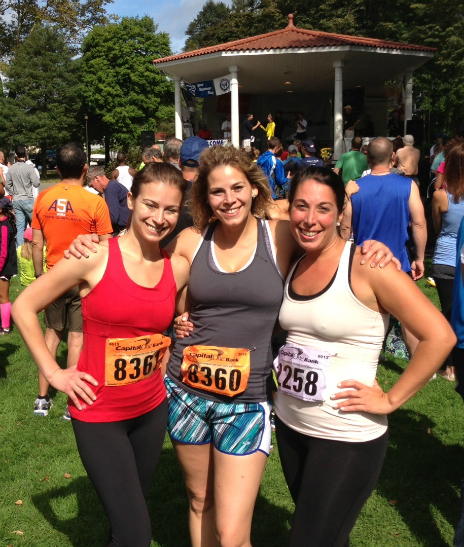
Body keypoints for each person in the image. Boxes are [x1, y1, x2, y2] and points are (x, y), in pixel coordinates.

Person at [67, 147, 395, 547]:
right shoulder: (190, 239)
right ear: (205, 197)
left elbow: (323, 238)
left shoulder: (279, 234)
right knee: (200, 499)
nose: (229, 199)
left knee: (232, 532)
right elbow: (142, 269)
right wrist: (96, 243)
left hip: (247, 399)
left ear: (254, 188)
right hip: (186, 393)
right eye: (218, 191)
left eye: (237, 187)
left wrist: (368, 247)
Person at [274, 166, 456, 547]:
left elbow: (439, 336)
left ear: (342, 210)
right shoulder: (294, 258)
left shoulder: (369, 265)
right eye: (301, 206)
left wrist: (391, 398)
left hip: (345, 437)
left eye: (324, 208)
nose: (310, 219)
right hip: (292, 429)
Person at [12, 162, 190, 547]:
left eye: (170, 209)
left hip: (151, 410)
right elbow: (25, 306)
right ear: (130, 200)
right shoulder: (93, 255)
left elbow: (173, 318)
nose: (159, 218)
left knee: (126, 524)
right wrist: (55, 374)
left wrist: (183, 321)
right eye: (150, 204)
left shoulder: (176, 268)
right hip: (99, 413)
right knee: (137, 535)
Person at [31, 143, 113, 418]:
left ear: (56, 169)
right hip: (83, 280)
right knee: (76, 338)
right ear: (85, 170)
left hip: (53, 275)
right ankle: (71, 402)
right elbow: (107, 245)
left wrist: (40, 276)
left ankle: (42, 398)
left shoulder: (43, 197)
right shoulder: (94, 202)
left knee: (51, 336)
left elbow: (36, 243)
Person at [341, 137, 427, 355]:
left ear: (367, 158)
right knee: (408, 317)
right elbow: (418, 222)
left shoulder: (356, 188)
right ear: (392, 158)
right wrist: (420, 258)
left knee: (362, 317)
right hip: (397, 261)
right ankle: (421, 368)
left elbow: (345, 227)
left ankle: (363, 360)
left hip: (363, 263)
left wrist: (342, 256)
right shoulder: (408, 185)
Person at [432, 140, 464, 382]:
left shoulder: (441, 196)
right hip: (454, 260)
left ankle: (449, 367)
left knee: (447, 314)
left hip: (445, 259)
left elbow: (437, 227)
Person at [5, 145, 41, 246]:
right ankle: (36, 247)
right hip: (28, 199)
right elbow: (36, 183)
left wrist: (14, 192)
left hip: (17, 200)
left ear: (16, 155)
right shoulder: (29, 168)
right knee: (35, 226)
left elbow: (8, 185)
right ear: (25, 154)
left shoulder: (11, 169)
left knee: (20, 228)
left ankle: (20, 251)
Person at [88, 166, 130, 235]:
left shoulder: (111, 188)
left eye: (92, 186)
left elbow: (113, 218)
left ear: (96, 178)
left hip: (124, 230)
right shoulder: (113, 186)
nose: (94, 188)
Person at [0, 196, 17, 334]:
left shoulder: (5, 226)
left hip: (4, 267)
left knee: (3, 297)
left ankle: (6, 327)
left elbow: (3, 251)